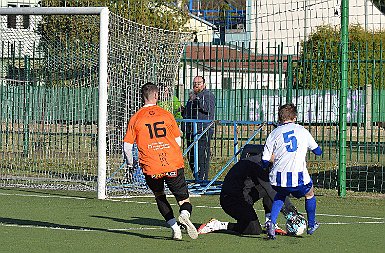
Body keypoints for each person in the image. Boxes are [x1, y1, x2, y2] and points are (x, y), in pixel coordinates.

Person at [123, 82, 198, 240]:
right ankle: (184, 214)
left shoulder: (136, 118)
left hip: (151, 166)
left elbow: (127, 147)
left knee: (159, 195)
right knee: (183, 199)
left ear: (142, 97)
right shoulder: (166, 114)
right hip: (172, 162)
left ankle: (175, 229)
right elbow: (178, 140)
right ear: (156, 96)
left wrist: (131, 164)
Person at [197, 145, 300, 236]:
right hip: (231, 200)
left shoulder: (269, 164)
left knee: (272, 186)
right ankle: (218, 225)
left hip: (245, 195)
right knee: (253, 229)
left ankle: (270, 223)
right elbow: (272, 191)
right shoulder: (258, 165)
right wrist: (291, 212)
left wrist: (292, 210)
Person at [262, 103, 323, 240]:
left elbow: (265, 160)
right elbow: (318, 151)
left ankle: (271, 223)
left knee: (280, 194)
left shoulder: (273, 133)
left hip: (277, 179)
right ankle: (312, 224)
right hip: (298, 178)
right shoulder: (302, 131)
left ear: (279, 118)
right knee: (310, 193)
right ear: (295, 117)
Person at [182, 75, 215, 181]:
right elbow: (189, 112)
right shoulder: (192, 96)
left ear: (204, 84)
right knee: (191, 155)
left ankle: (202, 178)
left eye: (198, 83)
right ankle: (196, 177)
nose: (196, 86)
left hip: (203, 130)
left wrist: (197, 99)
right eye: (194, 84)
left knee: (201, 155)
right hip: (190, 130)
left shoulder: (208, 95)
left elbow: (207, 109)